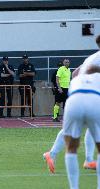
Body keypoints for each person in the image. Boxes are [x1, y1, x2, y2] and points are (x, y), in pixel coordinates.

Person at [43, 35, 100, 173]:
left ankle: (53, 153)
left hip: (79, 95)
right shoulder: (96, 59)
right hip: (89, 96)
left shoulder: (92, 57)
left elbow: (75, 73)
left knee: (79, 127)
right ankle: (87, 159)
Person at [63, 68, 100, 189]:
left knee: (71, 147)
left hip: (74, 101)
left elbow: (74, 74)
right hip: (94, 100)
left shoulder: (77, 78)